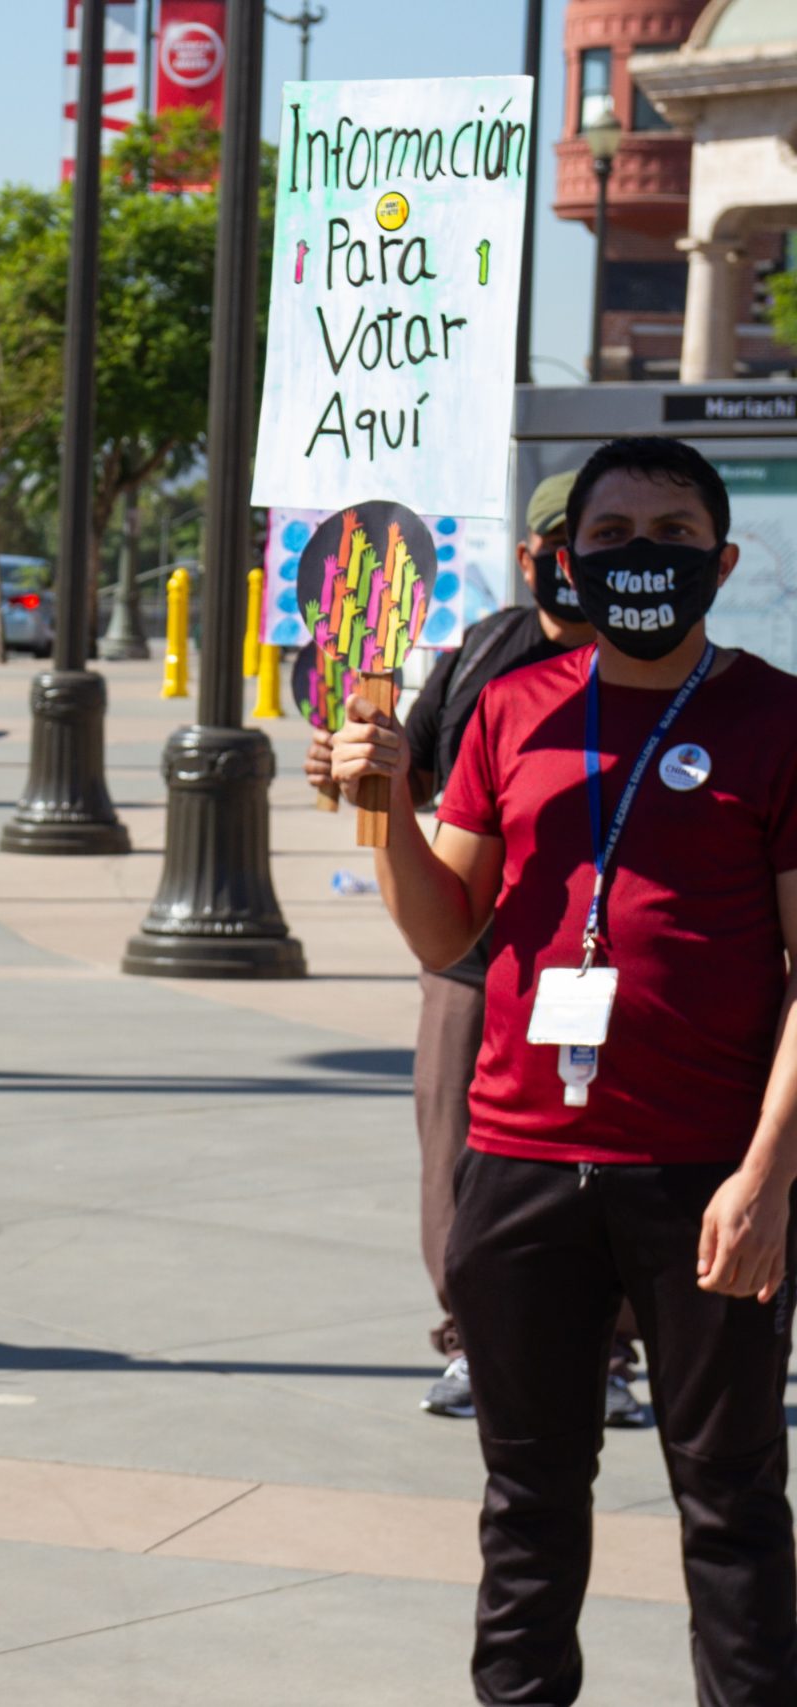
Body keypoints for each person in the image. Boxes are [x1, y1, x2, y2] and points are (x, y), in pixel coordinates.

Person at [333, 437, 797, 1705]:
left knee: (733, 1498)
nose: (640, 558)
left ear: (722, 557)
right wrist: (387, 810)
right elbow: (448, 936)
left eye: (669, 533)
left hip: (705, 1174)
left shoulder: (775, 717)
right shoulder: (509, 709)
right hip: (522, 1160)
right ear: (564, 562)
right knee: (527, 1504)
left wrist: (766, 1179)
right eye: (611, 537)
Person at [304, 473, 648, 1427]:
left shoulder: (658, 665)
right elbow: (401, 774)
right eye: (565, 545)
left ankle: (609, 1354)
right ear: (536, 557)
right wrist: (352, 766)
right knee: (453, 1154)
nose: (578, 567)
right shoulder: (486, 652)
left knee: (606, 1164)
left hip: (594, 965)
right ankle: (472, 1342)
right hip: (468, 960)